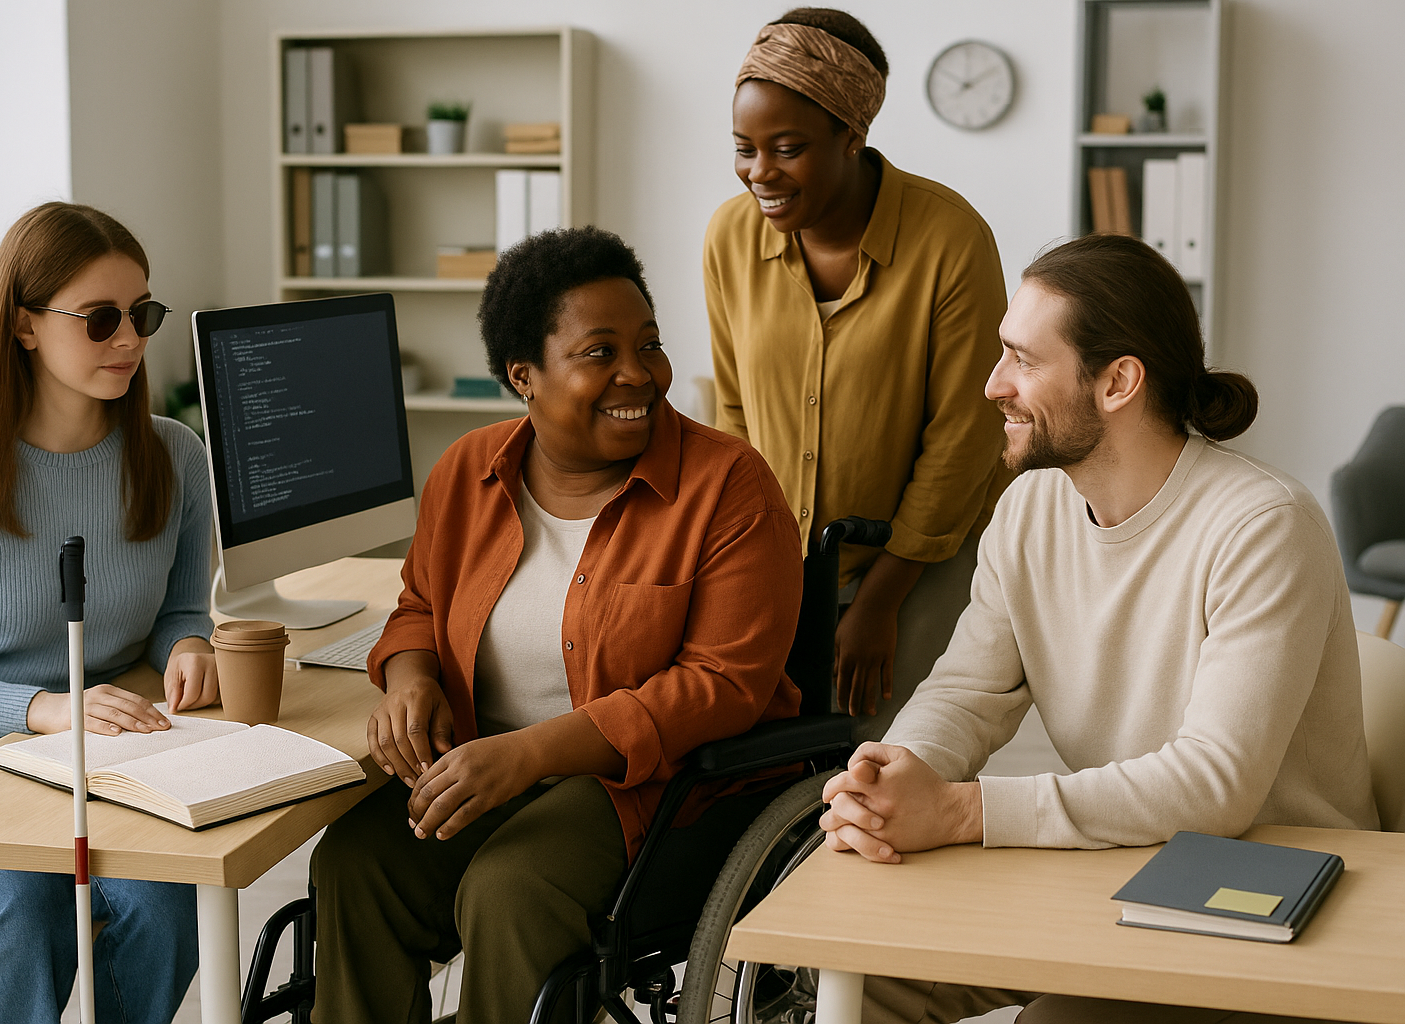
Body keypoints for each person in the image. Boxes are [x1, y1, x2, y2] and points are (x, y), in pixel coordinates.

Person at [819, 233, 1379, 1024]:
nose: (993, 385)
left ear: (1118, 382)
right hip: (1124, 859)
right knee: (848, 975)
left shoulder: (1262, 525)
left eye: (1022, 359)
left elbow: (1214, 785)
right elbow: (967, 690)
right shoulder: (1029, 509)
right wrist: (893, 776)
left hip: (1267, 896)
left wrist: (960, 811)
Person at [309, 226, 803, 1024]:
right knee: (356, 862)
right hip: (493, 761)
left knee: (510, 887)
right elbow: (419, 607)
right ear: (523, 376)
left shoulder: (729, 486)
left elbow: (721, 686)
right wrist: (410, 680)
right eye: (599, 352)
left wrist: (529, 753)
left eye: (648, 344)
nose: (638, 373)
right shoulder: (467, 471)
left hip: (660, 789)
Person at [0, 202, 216, 1024]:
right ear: (25, 325)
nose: (129, 340)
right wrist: (46, 709)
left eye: (142, 315)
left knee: (171, 899)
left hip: (104, 755)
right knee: (22, 908)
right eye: (100, 320)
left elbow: (179, 608)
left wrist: (190, 646)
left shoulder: (175, 454)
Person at [706, 7, 1011, 743]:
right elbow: (734, 410)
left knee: (889, 761)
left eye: (787, 148)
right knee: (772, 766)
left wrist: (880, 600)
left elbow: (966, 434)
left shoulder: (951, 240)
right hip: (775, 566)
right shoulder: (730, 237)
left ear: (852, 135)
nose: (760, 173)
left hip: (922, 563)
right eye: (744, 148)